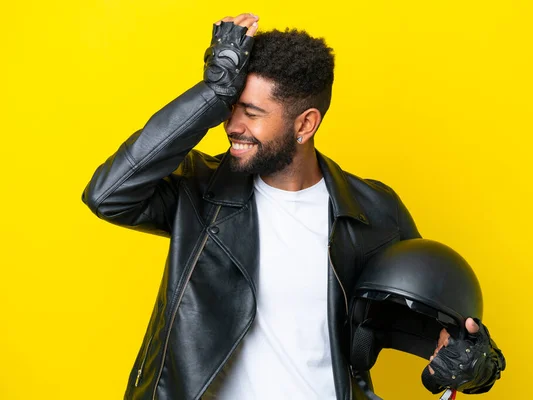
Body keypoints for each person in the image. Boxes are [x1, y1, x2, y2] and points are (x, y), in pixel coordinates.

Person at [82, 13, 504, 400]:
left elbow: (446, 333)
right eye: (229, 108)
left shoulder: (373, 210)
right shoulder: (200, 191)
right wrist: (211, 92)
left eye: (251, 112)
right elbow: (108, 195)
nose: (232, 125)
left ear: (305, 124)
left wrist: (474, 364)